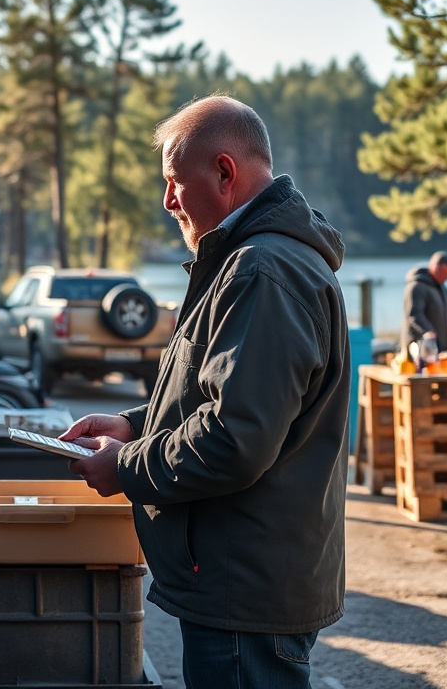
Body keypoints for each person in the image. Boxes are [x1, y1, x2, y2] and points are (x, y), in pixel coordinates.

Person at [59, 95, 350, 689]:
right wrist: (137, 424)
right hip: (242, 578)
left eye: (174, 181)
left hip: (244, 589)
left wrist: (126, 466)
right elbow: (226, 394)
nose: (168, 201)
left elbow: (234, 438)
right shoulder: (250, 261)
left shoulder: (262, 271)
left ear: (224, 171)